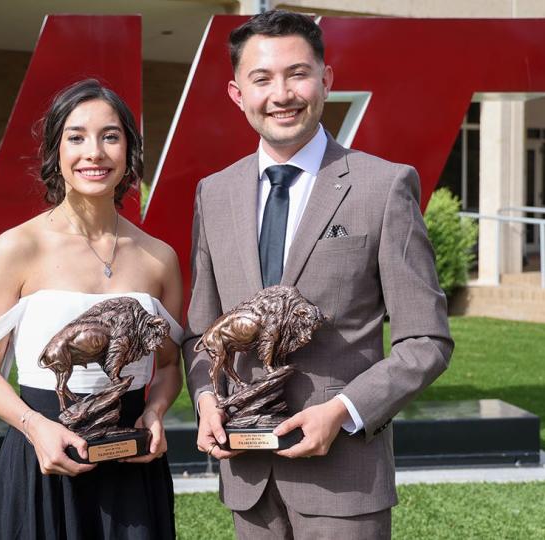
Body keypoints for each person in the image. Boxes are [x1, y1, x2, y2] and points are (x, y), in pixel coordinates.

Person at [182, 10, 454, 539]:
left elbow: (426, 339)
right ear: (238, 94)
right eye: (261, 79)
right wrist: (206, 398)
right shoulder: (213, 195)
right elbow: (201, 331)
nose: (281, 93)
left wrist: (345, 409)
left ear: (326, 80)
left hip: (344, 481)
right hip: (248, 481)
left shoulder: (384, 186)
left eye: (297, 74)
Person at [0, 79, 182, 540]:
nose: (95, 153)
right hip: (42, 461)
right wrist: (34, 426)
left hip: (132, 471)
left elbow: (167, 366)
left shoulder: (158, 257)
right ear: (55, 151)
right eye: (77, 136)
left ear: (128, 151)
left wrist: (157, 411)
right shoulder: (16, 248)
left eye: (110, 136)